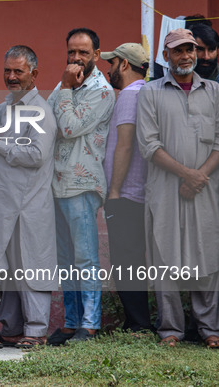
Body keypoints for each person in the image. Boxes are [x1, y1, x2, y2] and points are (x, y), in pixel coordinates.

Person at [136, 28, 219, 348]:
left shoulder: (214, 91)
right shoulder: (151, 92)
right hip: (166, 188)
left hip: (207, 188)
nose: (186, 56)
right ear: (166, 56)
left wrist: (198, 177)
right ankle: (170, 329)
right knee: (164, 255)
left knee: (207, 252)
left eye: (190, 50)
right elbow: (149, 145)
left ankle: (210, 328)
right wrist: (187, 175)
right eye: (178, 51)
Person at [0, 45, 58, 348]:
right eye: (7, 71)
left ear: (34, 74)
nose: (11, 77)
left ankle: (36, 331)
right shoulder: (4, 107)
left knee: (32, 267)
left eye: (18, 71)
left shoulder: (41, 111)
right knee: (11, 271)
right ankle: (12, 328)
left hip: (30, 206)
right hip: (5, 205)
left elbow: (37, 155)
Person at [46, 28, 115, 345]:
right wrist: (64, 88)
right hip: (57, 183)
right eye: (71, 52)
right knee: (66, 260)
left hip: (82, 184)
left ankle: (90, 325)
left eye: (83, 53)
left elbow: (69, 126)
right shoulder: (66, 86)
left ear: (96, 56)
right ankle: (72, 322)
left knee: (86, 258)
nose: (76, 58)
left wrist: (63, 87)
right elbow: (48, 118)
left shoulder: (101, 90)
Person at [100, 43, 153, 332]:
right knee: (134, 260)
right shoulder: (146, 92)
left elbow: (125, 143)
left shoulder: (130, 96)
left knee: (126, 263)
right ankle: (139, 322)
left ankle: (138, 325)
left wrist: (115, 192)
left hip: (128, 195)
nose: (108, 69)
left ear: (123, 65)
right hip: (140, 194)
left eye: (112, 63)